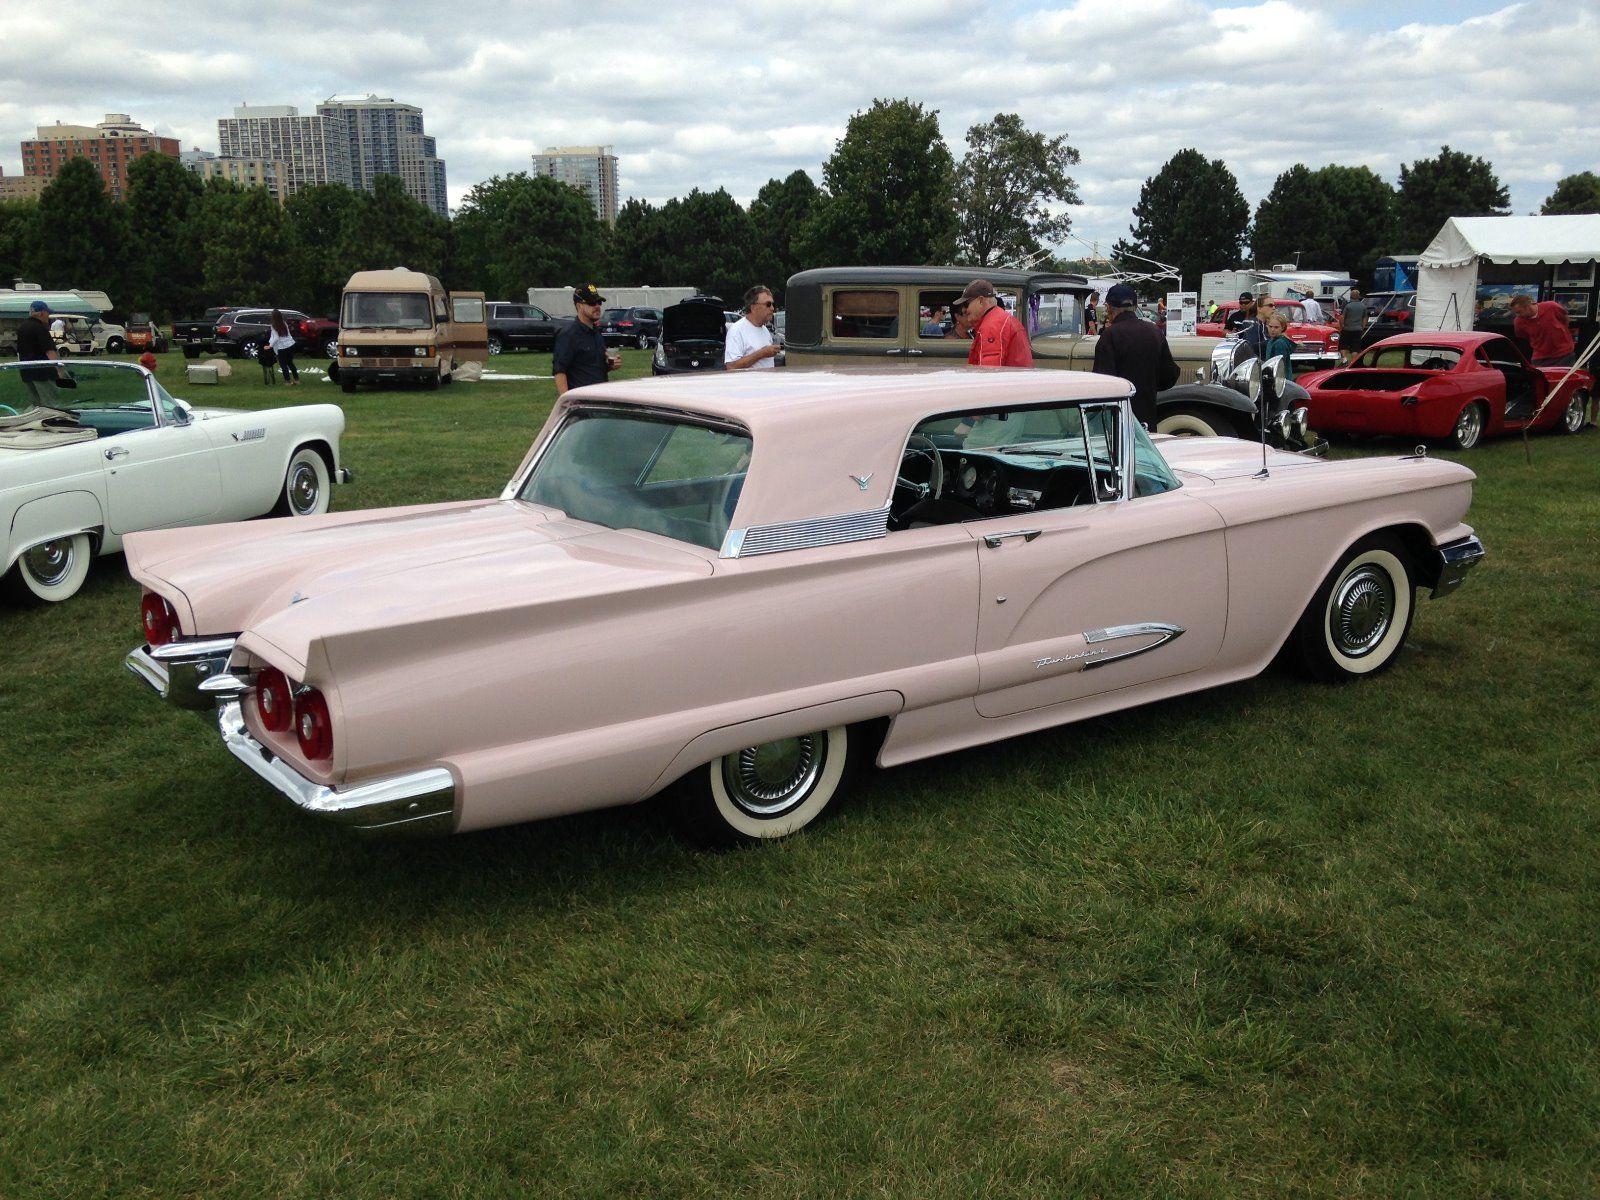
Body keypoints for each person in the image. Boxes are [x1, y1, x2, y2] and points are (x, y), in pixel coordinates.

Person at [1092, 282, 1178, 430]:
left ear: (1110, 308)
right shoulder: (1154, 332)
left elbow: (1102, 383)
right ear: (1135, 306)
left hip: (1118, 422)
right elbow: (1170, 376)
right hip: (1147, 420)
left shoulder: (1109, 336)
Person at [553, 284, 621, 396]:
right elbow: (559, 371)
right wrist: (566, 401)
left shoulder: (597, 332)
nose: (597, 306)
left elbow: (592, 366)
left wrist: (611, 365)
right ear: (579, 306)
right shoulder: (568, 335)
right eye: (592, 303)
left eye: (599, 302)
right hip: (581, 401)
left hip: (601, 398)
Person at [958, 279, 1033, 367]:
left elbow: (989, 371)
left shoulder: (992, 327)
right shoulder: (999, 320)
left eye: (966, 304)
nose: (964, 310)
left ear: (981, 301)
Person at [16, 299, 64, 407]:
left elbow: (19, 352)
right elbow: (49, 351)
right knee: (51, 404)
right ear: (42, 313)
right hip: (43, 373)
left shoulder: (22, 328)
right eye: (47, 313)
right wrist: (59, 370)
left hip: (26, 372)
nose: (48, 316)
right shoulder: (40, 328)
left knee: (36, 405)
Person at [1508, 293, 1576, 367]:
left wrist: (1560, 331)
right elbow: (1523, 336)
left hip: (1565, 354)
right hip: (1540, 358)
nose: (1518, 315)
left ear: (1527, 306)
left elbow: (1565, 319)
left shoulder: (1551, 306)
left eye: (1519, 312)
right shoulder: (1518, 322)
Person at [725, 285, 780, 370]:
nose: (772, 308)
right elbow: (731, 366)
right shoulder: (737, 330)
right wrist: (762, 353)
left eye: (773, 304)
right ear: (753, 308)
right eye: (768, 304)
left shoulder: (765, 330)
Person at [268, 308, 298, 385]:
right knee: (290, 363)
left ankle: (288, 381)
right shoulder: (284, 323)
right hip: (290, 345)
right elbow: (288, 334)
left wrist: (270, 346)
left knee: (283, 365)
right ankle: (296, 380)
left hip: (282, 347)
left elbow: (276, 338)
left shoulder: (273, 326)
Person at [1263, 312, 1296, 380]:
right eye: (1270, 326)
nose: (1272, 330)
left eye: (1276, 327)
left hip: (1280, 381)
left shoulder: (1280, 343)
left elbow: (1279, 367)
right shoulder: (1271, 341)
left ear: (1282, 328)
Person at [1340, 289, 1368, 363]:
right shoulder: (1363, 306)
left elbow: (1342, 317)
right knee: (1355, 347)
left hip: (1347, 329)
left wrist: (1342, 326)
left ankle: (1344, 359)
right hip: (1358, 329)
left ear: (1351, 296)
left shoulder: (1347, 306)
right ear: (1358, 296)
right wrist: (1363, 326)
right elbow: (1365, 318)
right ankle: (1353, 362)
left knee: (1343, 345)